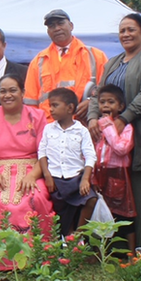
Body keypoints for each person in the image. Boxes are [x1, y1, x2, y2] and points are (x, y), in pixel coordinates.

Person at [87, 13, 141, 242]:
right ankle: (111, 248)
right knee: (113, 198)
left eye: (131, 29)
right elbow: (97, 94)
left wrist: (124, 119)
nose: (126, 34)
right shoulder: (113, 62)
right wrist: (92, 118)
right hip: (110, 148)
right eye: (122, 30)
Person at [0, 74, 53, 237]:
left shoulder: (37, 117)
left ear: (23, 92)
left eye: (12, 90)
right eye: (3, 91)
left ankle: (37, 252)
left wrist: (32, 176)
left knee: (36, 196)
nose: (7, 95)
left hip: (33, 169)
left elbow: (44, 154)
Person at [24, 9, 107, 121]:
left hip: (85, 126)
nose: (57, 28)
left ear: (71, 26)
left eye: (61, 23)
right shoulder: (38, 61)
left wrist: (92, 102)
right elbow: (30, 103)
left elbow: (109, 93)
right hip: (49, 128)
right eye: (52, 26)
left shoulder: (96, 56)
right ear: (48, 32)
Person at [39, 88, 98, 237]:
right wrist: (47, 175)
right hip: (55, 180)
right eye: (50, 105)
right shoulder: (48, 129)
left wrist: (85, 179)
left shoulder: (82, 131)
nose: (51, 109)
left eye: (55, 105)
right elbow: (42, 153)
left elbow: (90, 155)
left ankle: (79, 235)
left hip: (75, 179)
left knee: (90, 199)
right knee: (62, 214)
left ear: (70, 108)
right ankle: (66, 240)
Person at [92, 84, 136, 250]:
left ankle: (131, 252)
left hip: (118, 175)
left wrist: (108, 126)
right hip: (100, 173)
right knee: (101, 211)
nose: (106, 106)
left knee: (122, 212)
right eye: (102, 102)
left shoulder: (125, 127)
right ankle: (100, 251)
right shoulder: (97, 126)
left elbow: (121, 148)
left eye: (111, 102)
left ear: (121, 106)